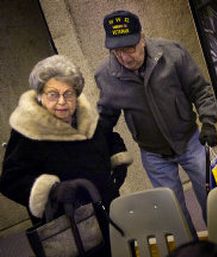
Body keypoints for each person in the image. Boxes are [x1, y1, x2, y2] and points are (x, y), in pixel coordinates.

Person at [95, 10, 217, 238]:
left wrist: (208, 121)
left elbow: (201, 90)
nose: (125, 57)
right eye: (117, 51)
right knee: (173, 214)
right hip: (153, 155)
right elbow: (105, 117)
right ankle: (190, 252)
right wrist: (94, 146)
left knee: (213, 199)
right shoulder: (106, 75)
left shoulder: (172, 53)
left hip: (191, 141)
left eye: (130, 48)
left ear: (142, 38)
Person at [0, 55, 133, 256]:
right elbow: (10, 180)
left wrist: (118, 157)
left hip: (107, 210)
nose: (62, 101)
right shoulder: (28, 131)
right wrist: (52, 190)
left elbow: (108, 135)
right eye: (53, 94)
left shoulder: (85, 117)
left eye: (68, 93)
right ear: (40, 95)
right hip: (70, 225)